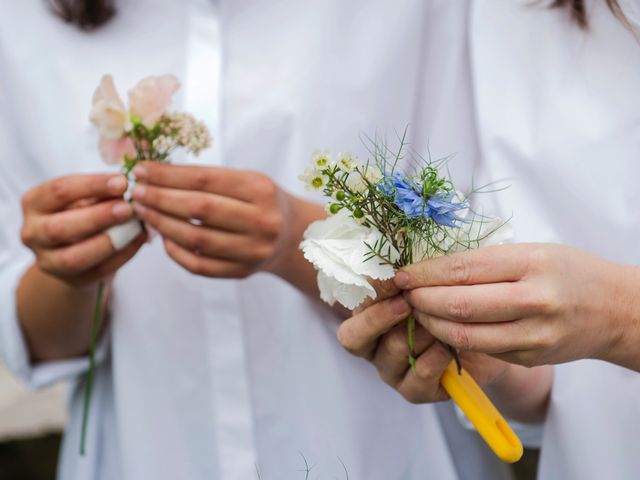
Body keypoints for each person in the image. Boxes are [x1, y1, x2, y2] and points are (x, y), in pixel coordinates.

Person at [0, 1, 516, 479]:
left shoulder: (419, 13)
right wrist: (69, 268)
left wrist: (294, 239)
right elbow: (41, 344)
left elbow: (485, 264)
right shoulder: (24, 21)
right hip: (150, 455)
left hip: (380, 453)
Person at [338, 0, 640, 478]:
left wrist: (622, 317)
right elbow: (569, 389)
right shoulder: (507, 13)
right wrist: (496, 354)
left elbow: (601, 319)